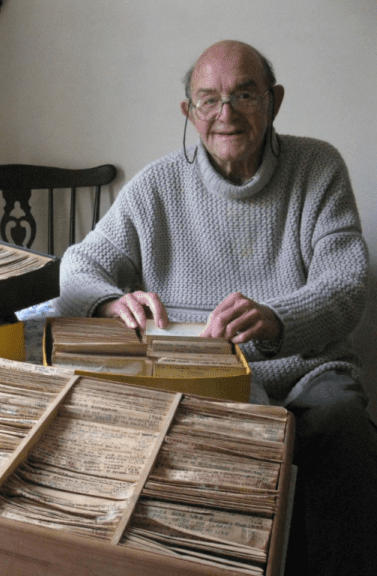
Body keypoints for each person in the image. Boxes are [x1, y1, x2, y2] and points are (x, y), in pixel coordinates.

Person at [57, 39, 377, 576]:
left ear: (273, 101)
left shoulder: (318, 167)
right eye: (208, 100)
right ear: (189, 112)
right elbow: (77, 267)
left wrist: (278, 319)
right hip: (193, 372)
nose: (225, 114)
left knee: (341, 424)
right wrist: (112, 301)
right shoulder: (157, 183)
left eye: (244, 95)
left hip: (302, 368)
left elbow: (346, 285)